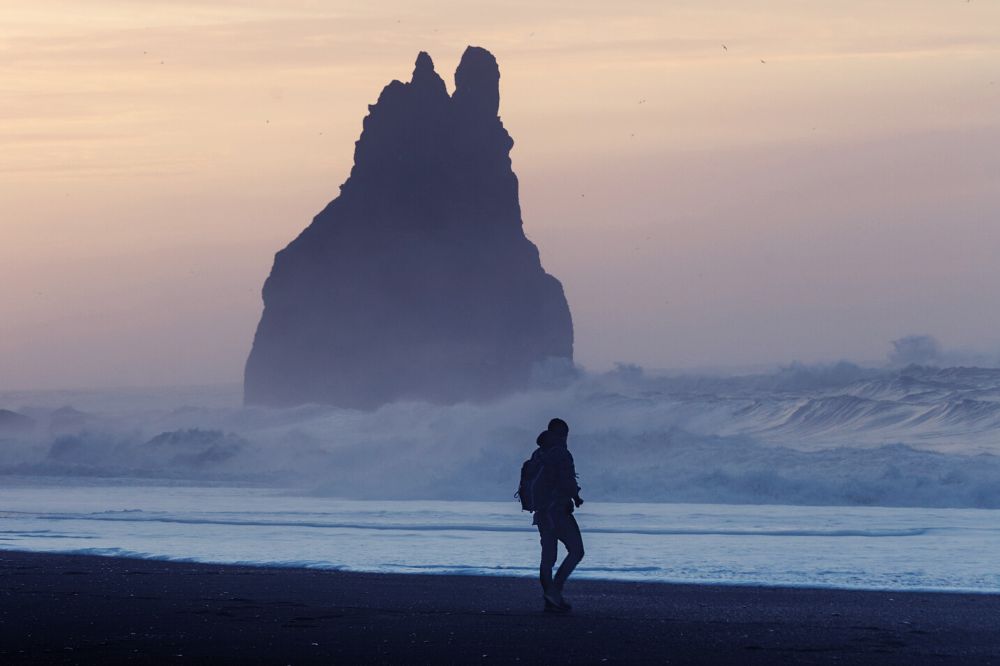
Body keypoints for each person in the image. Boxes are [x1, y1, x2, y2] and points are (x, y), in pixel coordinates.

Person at [533, 417, 584, 612]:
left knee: (547, 558)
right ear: (561, 433)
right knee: (577, 550)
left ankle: (550, 601)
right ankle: (555, 592)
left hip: (541, 513)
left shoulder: (539, 453)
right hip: (557, 511)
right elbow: (566, 480)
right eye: (565, 434)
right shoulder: (562, 453)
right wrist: (576, 497)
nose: (566, 438)